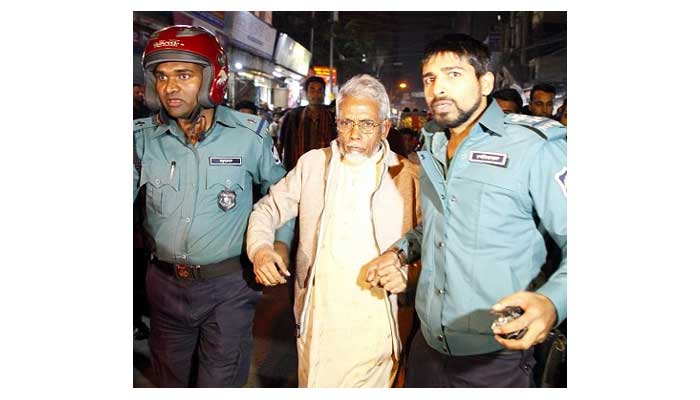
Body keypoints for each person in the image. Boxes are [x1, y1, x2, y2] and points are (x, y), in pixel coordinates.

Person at [364, 33, 567, 388]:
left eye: (453, 74)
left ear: (485, 82)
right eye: (430, 78)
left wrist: (552, 303)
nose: (438, 88)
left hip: (497, 356)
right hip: (427, 346)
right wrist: (397, 254)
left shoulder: (534, 148)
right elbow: (436, 226)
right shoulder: (432, 143)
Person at [133, 25, 293, 388]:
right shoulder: (140, 139)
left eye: (183, 75)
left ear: (212, 79)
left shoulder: (249, 135)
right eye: (161, 76)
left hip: (228, 288)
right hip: (163, 287)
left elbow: (282, 196)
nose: (169, 87)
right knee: (170, 382)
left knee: (219, 382)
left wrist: (277, 245)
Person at [246, 74, 421, 387]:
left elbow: (431, 241)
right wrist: (260, 249)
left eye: (366, 124)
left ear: (384, 128)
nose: (353, 134)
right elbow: (267, 209)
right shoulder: (314, 164)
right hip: (319, 319)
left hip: (377, 325)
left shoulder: (407, 176)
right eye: (345, 122)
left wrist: (407, 272)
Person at [279, 76, 336, 171]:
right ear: (306, 93)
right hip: (298, 170)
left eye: (320, 90)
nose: (316, 94)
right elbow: (281, 144)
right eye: (312, 90)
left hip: (325, 170)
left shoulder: (332, 118)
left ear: (324, 93)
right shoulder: (293, 116)